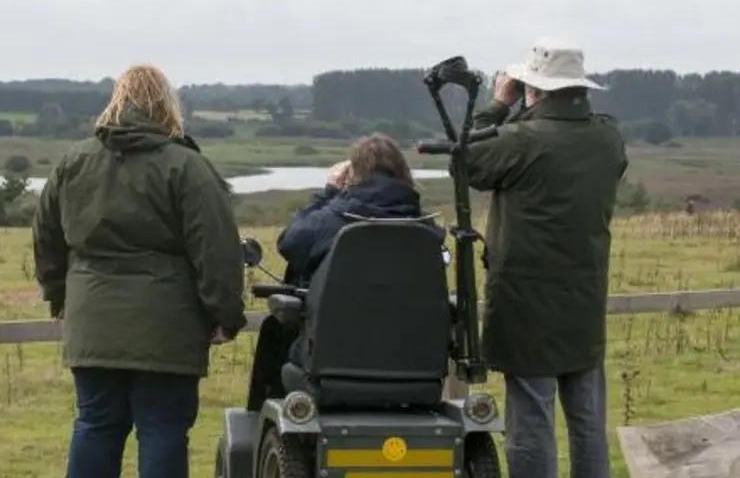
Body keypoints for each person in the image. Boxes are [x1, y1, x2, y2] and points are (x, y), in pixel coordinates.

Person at [32, 64, 247, 478]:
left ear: (116, 100)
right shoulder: (186, 167)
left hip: (91, 319)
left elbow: (46, 239)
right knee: (163, 430)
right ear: (167, 105)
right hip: (169, 325)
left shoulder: (74, 162)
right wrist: (224, 315)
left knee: (95, 425)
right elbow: (216, 250)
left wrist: (60, 297)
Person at [463, 40, 628, 478]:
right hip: (584, 297)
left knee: (532, 419)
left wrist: (498, 104)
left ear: (533, 90)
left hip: (525, 301)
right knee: (587, 418)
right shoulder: (607, 138)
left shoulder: (522, 139)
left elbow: (468, 164)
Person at [276, 133, 446, 364]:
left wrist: (329, 194)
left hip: (334, 359)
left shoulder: (332, 221)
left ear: (352, 175)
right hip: (410, 362)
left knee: (282, 343)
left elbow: (290, 244)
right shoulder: (425, 230)